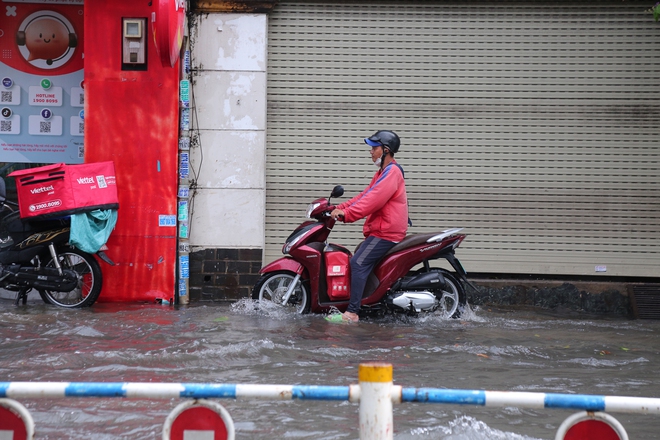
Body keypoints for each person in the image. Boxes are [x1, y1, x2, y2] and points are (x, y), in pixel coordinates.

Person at [327, 130, 409, 323]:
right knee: (357, 257)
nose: (371, 152)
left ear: (386, 150)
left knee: (358, 263)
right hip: (381, 230)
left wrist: (346, 214)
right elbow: (363, 196)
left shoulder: (392, 173)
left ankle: (352, 313)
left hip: (386, 233)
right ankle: (368, 300)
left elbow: (372, 201)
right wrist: (337, 207)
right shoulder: (382, 172)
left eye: (374, 148)